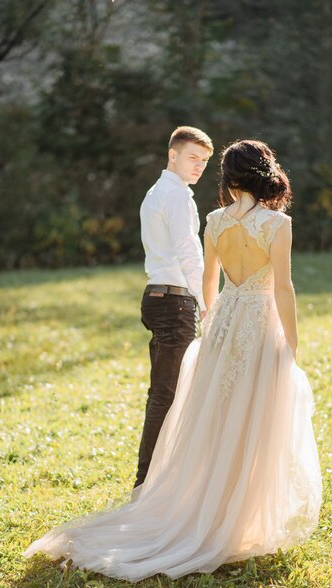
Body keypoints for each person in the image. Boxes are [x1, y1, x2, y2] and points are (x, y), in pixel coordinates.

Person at [24, 139, 322, 581]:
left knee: (217, 417)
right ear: (264, 173)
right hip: (259, 322)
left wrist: (212, 318)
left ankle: (213, 510)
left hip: (224, 320)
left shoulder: (215, 221)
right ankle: (235, 520)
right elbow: (283, 288)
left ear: (229, 177)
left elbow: (208, 279)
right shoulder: (277, 225)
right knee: (256, 417)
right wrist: (292, 344)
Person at [135, 126, 214, 487]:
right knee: (166, 395)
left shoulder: (156, 192)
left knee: (166, 393)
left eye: (204, 161)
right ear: (173, 155)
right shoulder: (177, 196)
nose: (198, 166)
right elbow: (189, 254)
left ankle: (161, 478)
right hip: (174, 302)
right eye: (192, 158)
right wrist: (208, 303)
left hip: (157, 297)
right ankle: (146, 484)